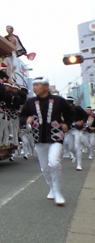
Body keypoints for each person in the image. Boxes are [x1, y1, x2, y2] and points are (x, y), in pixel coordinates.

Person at [19, 77, 73, 206]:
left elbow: (70, 112)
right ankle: (52, 187)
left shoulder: (59, 100)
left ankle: (58, 191)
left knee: (54, 163)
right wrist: (27, 120)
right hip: (39, 138)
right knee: (44, 167)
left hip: (56, 137)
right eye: (34, 85)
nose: (35, 87)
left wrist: (66, 123)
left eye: (38, 85)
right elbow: (22, 115)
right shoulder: (30, 102)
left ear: (46, 86)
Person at [66, 96, 88, 171]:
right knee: (70, 147)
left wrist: (82, 121)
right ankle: (74, 156)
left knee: (77, 146)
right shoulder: (64, 110)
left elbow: (86, 115)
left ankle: (79, 164)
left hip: (77, 130)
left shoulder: (77, 108)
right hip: (69, 130)